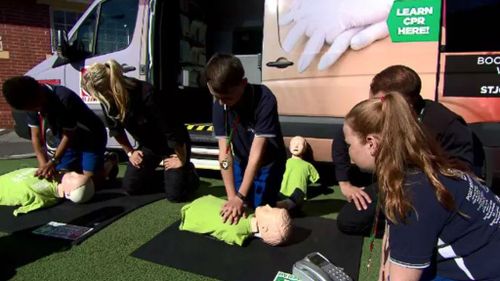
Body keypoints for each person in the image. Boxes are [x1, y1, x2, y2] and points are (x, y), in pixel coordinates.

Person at [344, 92, 499, 281]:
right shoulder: (433, 169)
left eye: (349, 144)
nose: (348, 152)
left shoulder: (411, 197)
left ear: (371, 144)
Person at [333, 65, 480, 235]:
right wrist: (345, 183)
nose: (375, 106)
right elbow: (344, 137)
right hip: (394, 180)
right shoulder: (378, 114)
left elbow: (463, 175)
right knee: (349, 221)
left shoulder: (446, 123)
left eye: (381, 102)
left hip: (430, 188)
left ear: (406, 102)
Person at [81, 59, 198, 201]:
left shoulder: (146, 93)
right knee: (131, 187)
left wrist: (181, 159)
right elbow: (116, 130)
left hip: (173, 145)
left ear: (108, 88)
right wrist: (130, 152)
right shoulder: (109, 101)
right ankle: (172, 179)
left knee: (175, 196)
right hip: (149, 145)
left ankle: (188, 173)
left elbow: (172, 130)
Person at [206, 53, 287, 224]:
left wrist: (240, 196)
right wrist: (232, 196)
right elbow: (224, 153)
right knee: (239, 207)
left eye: (228, 98)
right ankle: (262, 198)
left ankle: (290, 202)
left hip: (268, 161)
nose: (223, 104)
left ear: (243, 83)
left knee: (259, 211)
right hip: (241, 159)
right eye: (218, 98)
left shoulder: (265, 99)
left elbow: (257, 153)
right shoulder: (220, 103)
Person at [2, 76, 107, 182]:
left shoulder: (64, 98)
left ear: (38, 92)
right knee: (60, 179)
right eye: (31, 108)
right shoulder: (29, 102)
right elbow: (36, 135)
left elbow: (69, 134)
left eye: (35, 106)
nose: (35, 109)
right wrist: (43, 164)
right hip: (68, 142)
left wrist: (53, 161)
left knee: (89, 182)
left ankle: (109, 162)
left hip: (91, 137)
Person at [179, 195, 292, 246]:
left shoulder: (237, 232)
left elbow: (230, 235)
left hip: (192, 212)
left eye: (269, 211)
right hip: (199, 204)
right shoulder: (251, 214)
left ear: (264, 228)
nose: (267, 206)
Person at [0, 168, 95, 216]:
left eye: (73, 177)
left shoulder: (41, 196)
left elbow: (37, 202)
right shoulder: (53, 174)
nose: (73, 173)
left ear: (68, 193)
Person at [276, 136, 320, 210]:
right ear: (289, 147)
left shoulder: (308, 166)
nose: (296, 146)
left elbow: (315, 178)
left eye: (299, 144)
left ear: (305, 148)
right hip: (281, 195)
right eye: (293, 144)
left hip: (298, 198)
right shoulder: (284, 163)